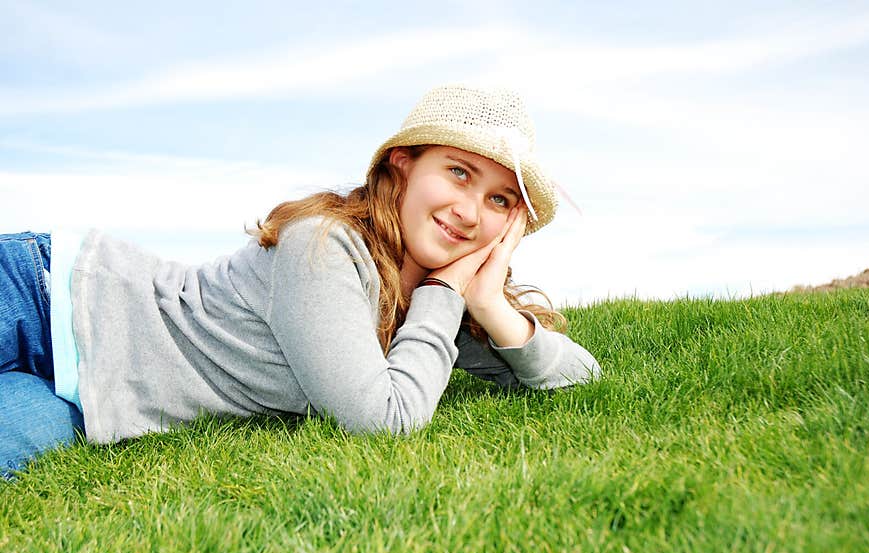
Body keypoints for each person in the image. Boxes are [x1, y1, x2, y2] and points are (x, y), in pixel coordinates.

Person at [0, 83, 601, 479]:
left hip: (85, 399)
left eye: (498, 199)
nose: (470, 211)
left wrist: (489, 303)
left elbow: (581, 378)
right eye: (458, 173)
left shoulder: (431, 306)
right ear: (403, 164)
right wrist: (446, 295)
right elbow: (383, 417)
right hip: (45, 297)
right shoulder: (325, 242)